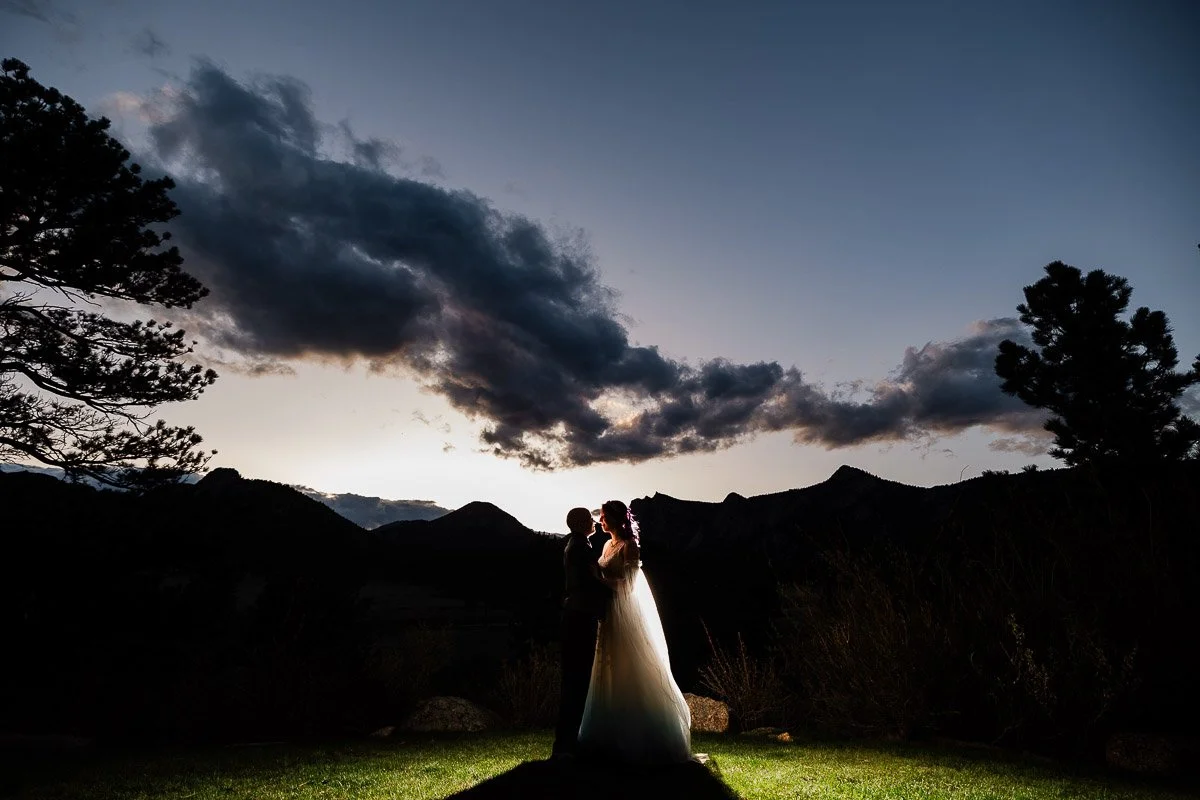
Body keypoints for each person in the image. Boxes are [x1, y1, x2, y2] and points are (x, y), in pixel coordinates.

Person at [578, 500, 692, 763]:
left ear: (618, 520)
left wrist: (598, 581)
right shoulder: (606, 545)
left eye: (605, 516)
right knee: (608, 669)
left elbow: (628, 585)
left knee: (629, 667)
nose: (601, 520)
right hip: (607, 615)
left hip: (624, 614)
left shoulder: (630, 547)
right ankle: (606, 733)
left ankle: (640, 735)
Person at [552, 506, 610, 758]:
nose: (595, 522)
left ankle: (567, 743)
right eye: (589, 519)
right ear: (578, 524)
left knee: (575, 681)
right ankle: (566, 745)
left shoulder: (576, 545)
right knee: (576, 681)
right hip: (579, 618)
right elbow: (589, 584)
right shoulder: (580, 548)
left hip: (575, 616)